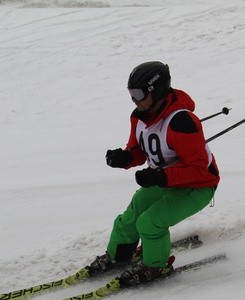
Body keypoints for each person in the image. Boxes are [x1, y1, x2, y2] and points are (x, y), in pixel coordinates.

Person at [87, 61, 220, 286]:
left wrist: (159, 177)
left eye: (138, 94)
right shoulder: (139, 116)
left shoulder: (181, 122)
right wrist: (125, 158)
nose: (134, 100)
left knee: (150, 222)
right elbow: (140, 149)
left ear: (155, 91)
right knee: (133, 213)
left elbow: (198, 169)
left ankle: (155, 266)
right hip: (168, 180)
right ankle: (119, 255)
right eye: (130, 94)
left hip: (198, 186)